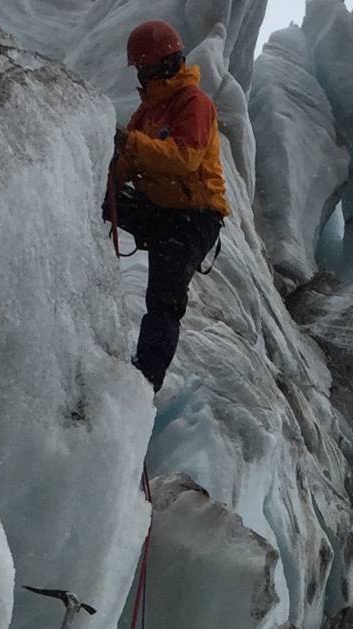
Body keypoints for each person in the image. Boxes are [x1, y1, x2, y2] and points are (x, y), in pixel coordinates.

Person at [105, 19, 230, 391]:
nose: (140, 75)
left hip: (194, 218)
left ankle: (144, 381)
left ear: (160, 64)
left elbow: (184, 159)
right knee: (96, 200)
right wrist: (103, 180)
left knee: (164, 297)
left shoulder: (194, 104)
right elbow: (126, 167)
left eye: (143, 67)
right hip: (160, 209)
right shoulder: (146, 113)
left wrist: (130, 144)